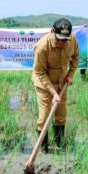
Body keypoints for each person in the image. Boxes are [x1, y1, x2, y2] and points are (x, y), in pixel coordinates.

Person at [32, 18, 79, 153]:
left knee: (61, 114)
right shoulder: (42, 47)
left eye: (65, 40)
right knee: (44, 116)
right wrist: (53, 93)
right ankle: (44, 149)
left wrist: (70, 74)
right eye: (59, 39)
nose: (62, 43)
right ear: (52, 32)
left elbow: (76, 57)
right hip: (44, 84)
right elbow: (40, 73)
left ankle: (59, 144)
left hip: (62, 81)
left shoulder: (72, 40)